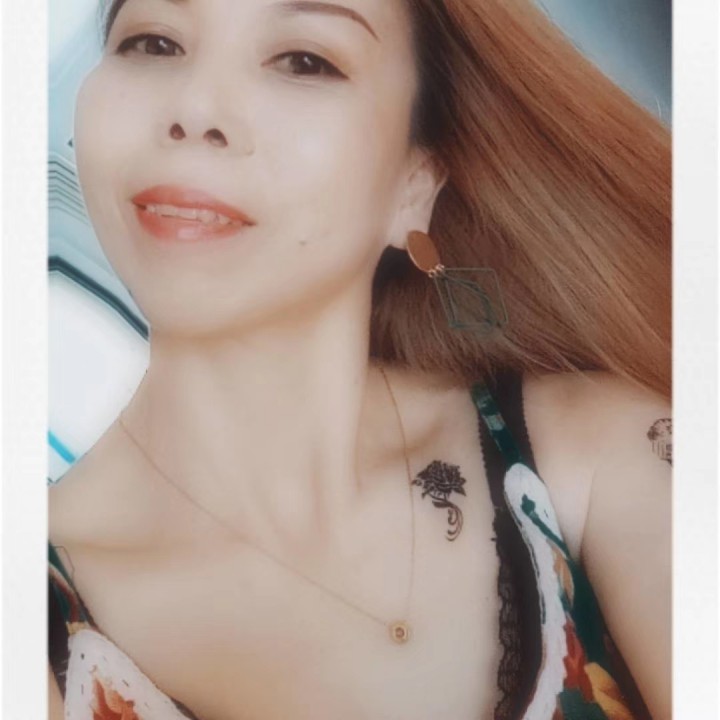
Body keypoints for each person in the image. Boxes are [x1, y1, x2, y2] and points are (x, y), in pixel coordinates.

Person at [48, 0, 672, 718]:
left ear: (415, 185)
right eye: (154, 43)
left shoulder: (601, 461)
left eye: (304, 60)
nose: (195, 109)